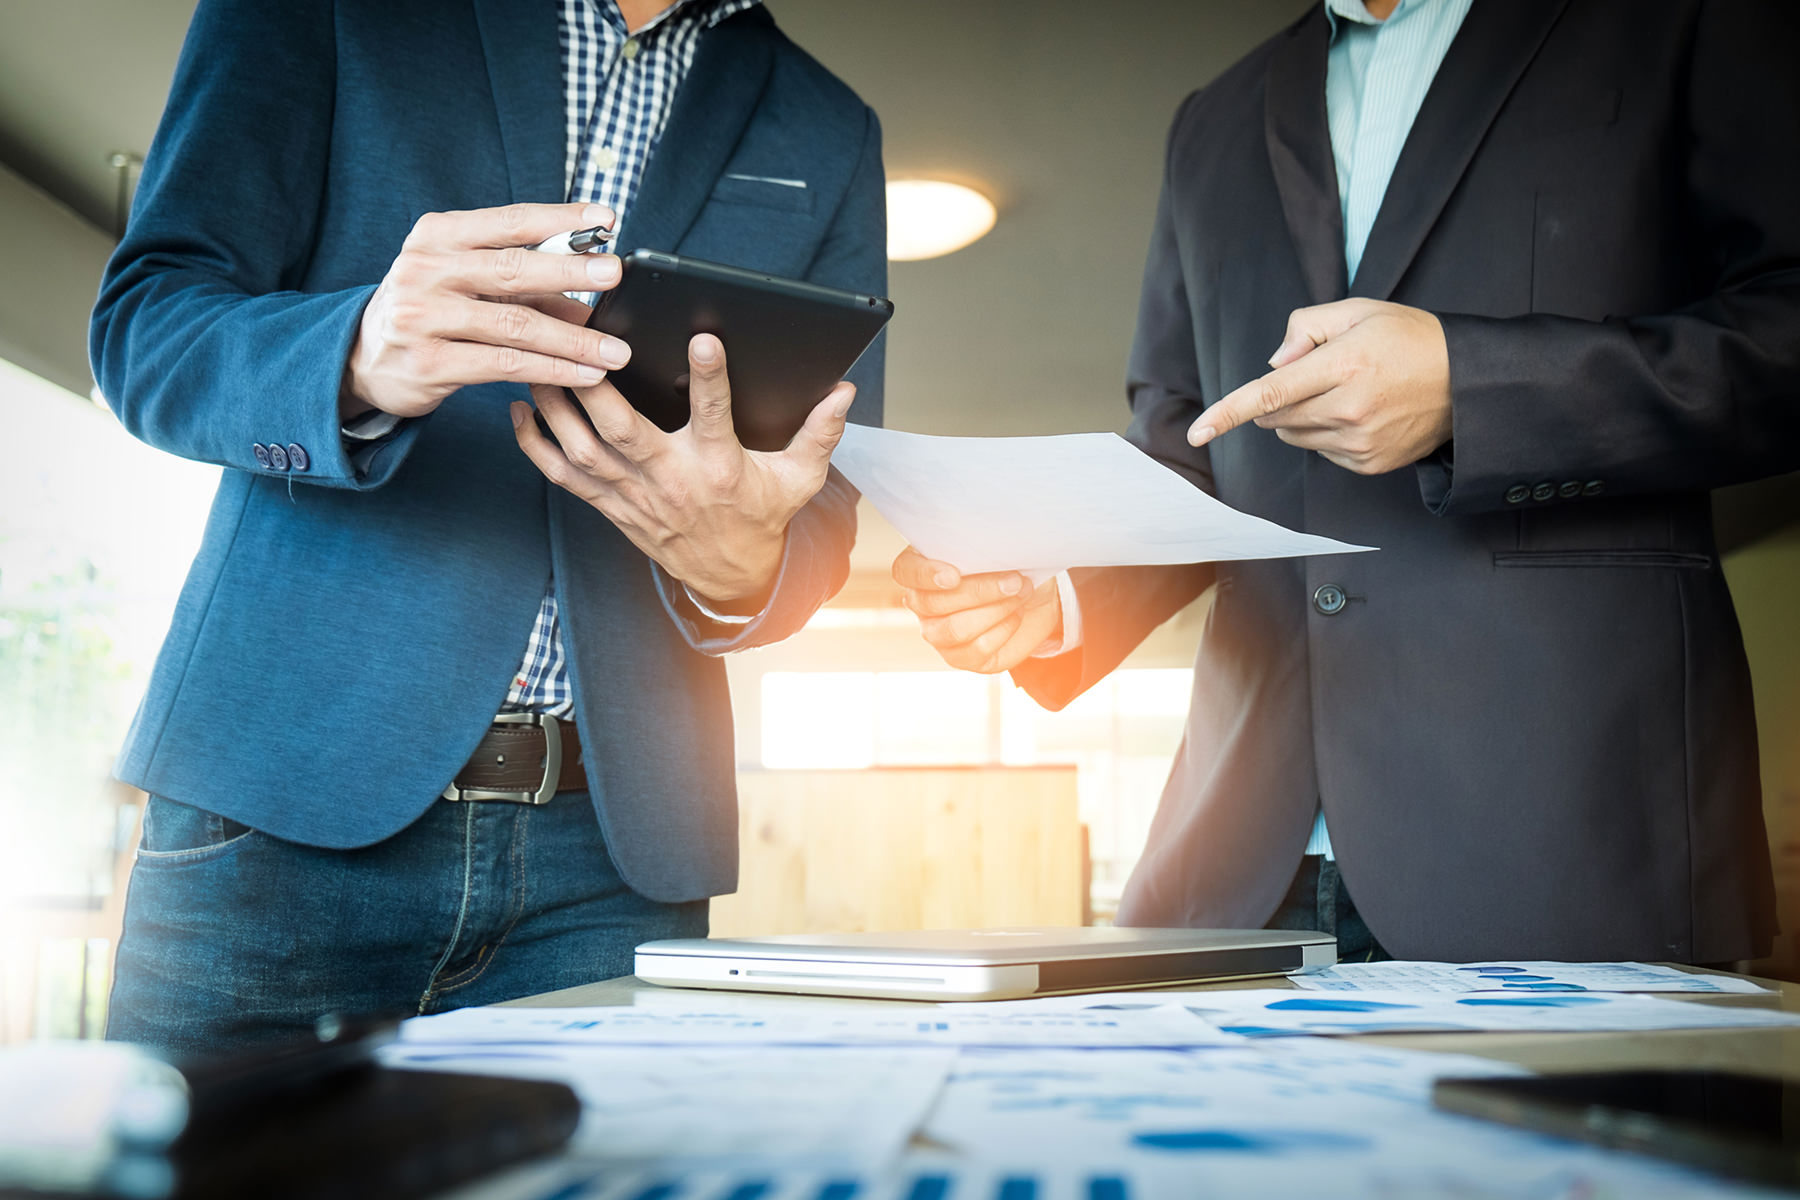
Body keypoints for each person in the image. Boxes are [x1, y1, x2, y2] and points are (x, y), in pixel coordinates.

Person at [895, 0, 1799, 964]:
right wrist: (1058, 595)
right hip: (1243, 877)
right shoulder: (1214, 118)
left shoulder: (1686, 19)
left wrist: (1471, 386)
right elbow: (1186, 443)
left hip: (1571, 840)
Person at [90, 0, 885, 1052]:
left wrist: (744, 571)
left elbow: (829, 490)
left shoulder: (829, 125)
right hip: (276, 813)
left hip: (612, 866)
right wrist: (358, 351)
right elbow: (146, 329)